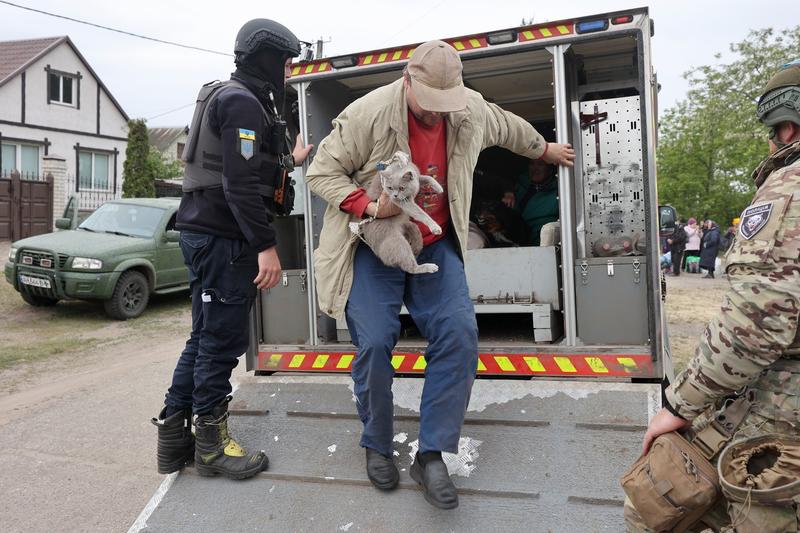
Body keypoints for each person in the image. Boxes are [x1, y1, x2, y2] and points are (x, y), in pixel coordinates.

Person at [305, 40, 575, 509]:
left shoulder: (469, 110)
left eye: (445, 106)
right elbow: (321, 172)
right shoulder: (369, 114)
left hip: (435, 241)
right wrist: (369, 206)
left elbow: (511, 129)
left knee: (459, 334)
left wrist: (546, 148)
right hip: (375, 243)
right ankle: (376, 443)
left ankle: (430, 453)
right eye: (429, 105)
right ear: (407, 81)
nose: (436, 115)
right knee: (373, 340)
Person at [624, 59, 800, 531]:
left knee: (651, 505)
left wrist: (679, 406)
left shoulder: (789, 187)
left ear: (785, 126)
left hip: (782, 407)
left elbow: (758, 321)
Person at [150, 19, 313, 480]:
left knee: (202, 338)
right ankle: (211, 448)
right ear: (266, 58)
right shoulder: (242, 102)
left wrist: (290, 161)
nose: (287, 70)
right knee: (222, 342)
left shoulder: (231, 97)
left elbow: (243, 165)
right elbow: (239, 184)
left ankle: (173, 438)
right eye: (284, 61)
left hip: (205, 232)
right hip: (226, 238)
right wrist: (266, 246)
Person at [502, 158, 559, 246]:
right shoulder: (520, 184)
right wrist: (508, 191)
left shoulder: (559, 191)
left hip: (538, 243)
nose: (535, 168)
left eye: (540, 164)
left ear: (550, 169)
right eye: (532, 164)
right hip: (513, 240)